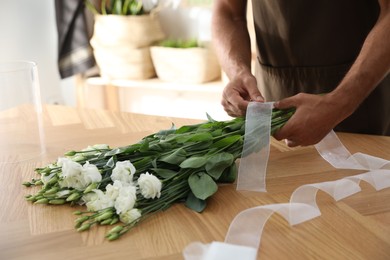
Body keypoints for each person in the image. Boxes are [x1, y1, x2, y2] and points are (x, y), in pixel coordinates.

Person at [211, 0, 390, 147]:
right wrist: (238, 71)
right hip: (272, 106)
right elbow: (227, 10)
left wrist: (340, 102)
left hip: (362, 106)